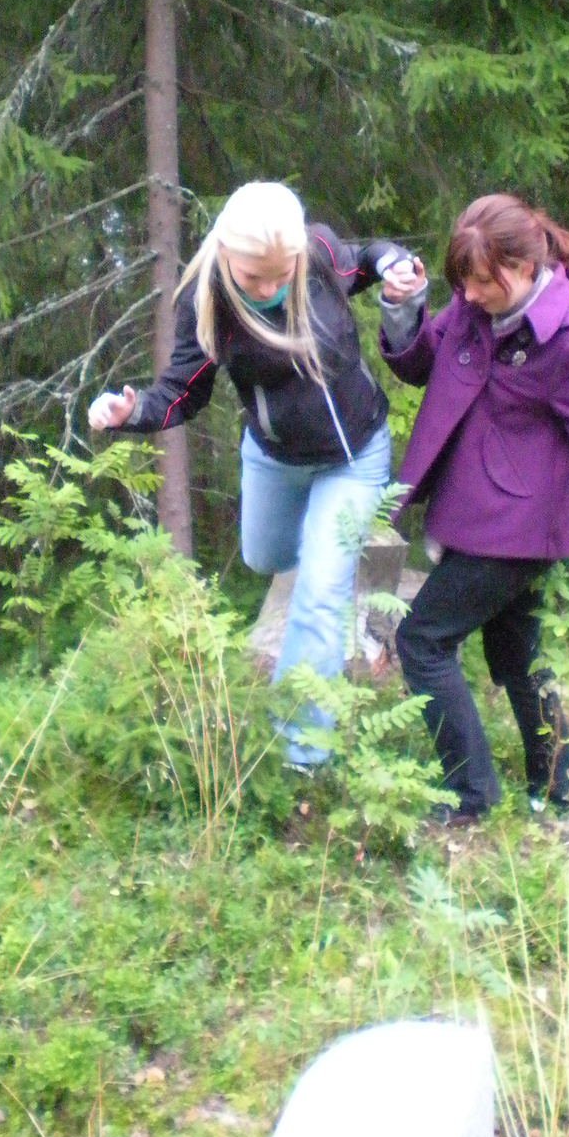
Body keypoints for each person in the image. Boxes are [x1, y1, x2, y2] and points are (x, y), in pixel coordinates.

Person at [88, 181, 419, 765]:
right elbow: (181, 393)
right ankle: (317, 558)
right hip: (273, 456)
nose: (269, 289)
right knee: (264, 558)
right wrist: (131, 411)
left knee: (320, 591)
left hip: (355, 456)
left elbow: (367, 259)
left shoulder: (315, 251)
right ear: (225, 256)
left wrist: (393, 263)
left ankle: (296, 754)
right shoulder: (205, 299)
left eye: (280, 276)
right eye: (253, 278)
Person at [379, 193, 569, 822]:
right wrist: (402, 307)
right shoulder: (474, 309)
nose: (467, 297)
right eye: (461, 284)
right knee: (517, 655)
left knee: (421, 641)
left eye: (479, 283)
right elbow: (420, 364)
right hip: (482, 516)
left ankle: (472, 795)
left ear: (523, 268)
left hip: (516, 528)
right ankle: (558, 795)